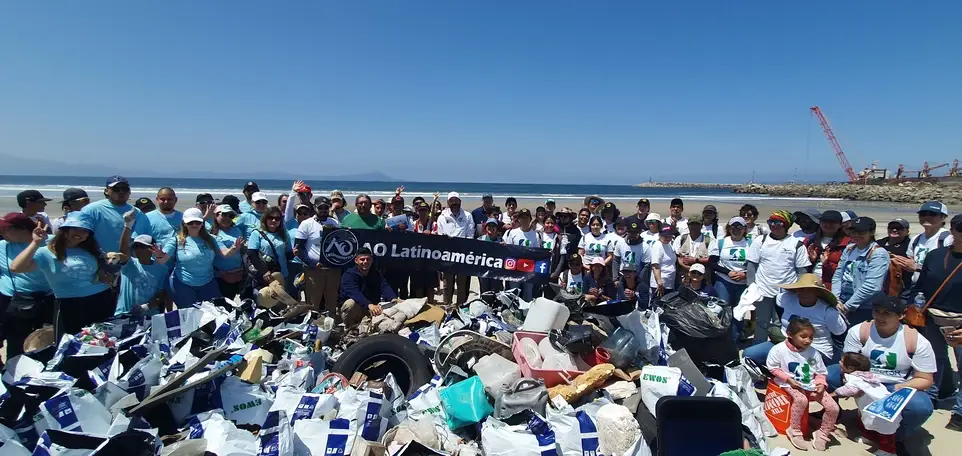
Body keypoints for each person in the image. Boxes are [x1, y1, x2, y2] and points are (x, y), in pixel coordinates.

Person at [827, 296, 935, 444]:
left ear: (901, 315)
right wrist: (852, 382)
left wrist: (901, 387)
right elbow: (847, 363)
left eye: (887, 313)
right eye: (877, 311)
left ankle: (895, 437)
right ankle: (834, 414)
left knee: (921, 407)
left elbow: (925, 379)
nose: (880, 316)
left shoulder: (916, 340)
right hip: (863, 379)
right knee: (827, 375)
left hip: (896, 384)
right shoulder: (860, 331)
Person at [10, 212, 115, 339]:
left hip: (101, 299)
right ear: (65, 230)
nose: (80, 234)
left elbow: (101, 272)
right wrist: (35, 243)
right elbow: (16, 267)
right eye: (75, 229)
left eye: (85, 231)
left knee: (102, 342)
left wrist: (106, 276)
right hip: (69, 304)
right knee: (68, 343)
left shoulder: (91, 250)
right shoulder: (46, 252)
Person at [911, 213, 962, 429]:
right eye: (960, 228)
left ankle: (960, 412)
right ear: (952, 230)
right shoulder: (935, 256)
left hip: (960, 321)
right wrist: (912, 304)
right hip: (933, 317)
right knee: (934, 361)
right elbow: (920, 286)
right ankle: (930, 399)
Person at [766, 318, 839, 451]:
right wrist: (788, 379)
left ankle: (823, 433)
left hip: (810, 384)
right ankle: (794, 430)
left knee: (833, 407)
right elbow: (773, 368)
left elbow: (820, 372)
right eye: (803, 336)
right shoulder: (779, 349)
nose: (808, 340)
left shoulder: (813, 352)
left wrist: (821, 384)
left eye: (811, 337)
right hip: (788, 383)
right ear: (790, 334)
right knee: (801, 400)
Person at [744, 273, 847, 366]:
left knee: (797, 368)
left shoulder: (828, 312)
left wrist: (834, 363)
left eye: (810, 290)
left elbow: (840, 337)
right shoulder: (786, 299)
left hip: (815, 348)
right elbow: (777, 303)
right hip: (784, 342)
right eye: (801, 289)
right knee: (749, 354)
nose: (805, 293)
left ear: (817, 292)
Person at [746, 210, 812, 342]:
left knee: (781, 324)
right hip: (762, 290)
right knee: (761, 322)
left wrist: (799, 291)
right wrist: (751, 287)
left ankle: (779, 349)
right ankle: (758, 346)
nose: (773, 225)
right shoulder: (760, 240)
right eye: (771, 222)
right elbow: (751, 265)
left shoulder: (796, 244)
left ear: (786, 225)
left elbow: (802, 270)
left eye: (778, 222)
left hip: (786, 293)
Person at [0, 213, 53, 360]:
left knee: (45, 342)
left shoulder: (50, 242)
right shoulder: (3, 246)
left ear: (23, 229)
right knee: (15, 344)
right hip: (12, 302)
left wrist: (35, 242)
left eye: (5, 230)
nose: (2, 234)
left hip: (46, 300)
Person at [164, 208, 242, 307]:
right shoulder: (176, 240)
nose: (194, 225)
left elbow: (225, 254)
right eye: (190, 223)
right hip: (183, 283)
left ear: (202, 223)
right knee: (188, 314)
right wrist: (158, 254)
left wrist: (233, 249)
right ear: (184, 223)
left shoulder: (212, 239)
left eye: (197, 222)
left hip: (208, 283)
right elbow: (162, 259)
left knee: (214, 311)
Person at [832, 353, 899, 456]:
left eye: (841, 362)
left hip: (881, 409)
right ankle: (868, 437)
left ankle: (888, 450)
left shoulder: (854, 377)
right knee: (865, 422)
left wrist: (833, 394)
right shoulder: (868, 375)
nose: (839, 363)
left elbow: (849, 389)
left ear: (850, 368)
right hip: (869, 406)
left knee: (884, 431)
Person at [832, 217, 890, 326]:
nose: (856, 235)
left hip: (864, 307)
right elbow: (838, 275)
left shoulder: (878, 253)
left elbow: (872, 286)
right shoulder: (849, 249)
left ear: (872, 232)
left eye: (861, 232)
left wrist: (848, 306)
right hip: (842, 301)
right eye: (853, 231)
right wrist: (836, 299)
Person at [295, 197, 341, 318]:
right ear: (315, 208)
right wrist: (311, 264)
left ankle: (330, 324)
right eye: (320, 207)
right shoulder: (306, 224)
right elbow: (299, 249)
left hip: (332, 269)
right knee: (313, 303)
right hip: (314, 270)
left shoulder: (335, 223)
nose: (323, 210)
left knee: (332, 302)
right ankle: (311, 324)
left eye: (326, 207)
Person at [81, 176, 150, 253]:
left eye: (125, 189)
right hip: (98, 258)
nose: (121, 192)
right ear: (106, 191)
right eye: (116, 189)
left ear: (129, 192)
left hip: (128, 259)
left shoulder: (137, 212)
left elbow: (142, 239)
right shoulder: (91, 210)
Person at [115, 220, 170, 316]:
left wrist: (147, 306)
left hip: (150, 316)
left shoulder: (162, 269)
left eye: (142, 247)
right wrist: (127, 226)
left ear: (152, 249)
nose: (137, 249)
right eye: (136, 246)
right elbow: (123, 252)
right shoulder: (129, 264)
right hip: (125, 314)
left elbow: (162, 293)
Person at [339, 247, 397, 327]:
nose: (365, 262)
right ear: (356, 261)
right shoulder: (349, 275)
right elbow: (354, 293)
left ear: (372, 260)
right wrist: (369, 305)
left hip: (373, 308)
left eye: (368, 259)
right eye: (362, 259)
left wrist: (393, 298)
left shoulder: (375, 273)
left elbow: (384, 286)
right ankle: (350, 327)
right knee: (350, 304)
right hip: (358, 309)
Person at [436, 192, 474, 305]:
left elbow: (470, 235)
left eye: (456, 201)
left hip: (463, 255)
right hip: (447, 255)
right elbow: (440, 235)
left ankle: (460, 306)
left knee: (462, 283)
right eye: (452, 201)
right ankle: (447, 305)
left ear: (460, 202)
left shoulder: (467, 216)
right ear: (448, 203)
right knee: (447, 283)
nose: (454, 203)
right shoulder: (442, 217)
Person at [708, 216, 750, 315]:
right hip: (724, 281)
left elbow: (756, 265)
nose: (736, 229)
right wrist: (728, 272)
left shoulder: (751, 243)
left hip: (744, 283)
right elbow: (712, 263)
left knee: (740, 312)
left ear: (744, 229)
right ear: (729, 228)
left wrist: (745, 274)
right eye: (733, 226)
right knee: (723, 310)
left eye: (739, 227)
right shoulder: (720, 242)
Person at [905, 201, 954, 284]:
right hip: (916, 286)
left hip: (937, 287)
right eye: (923, 214)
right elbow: (910, 262)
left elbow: (950, 268)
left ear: (943, 217)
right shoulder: (915, 239)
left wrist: (917, 268)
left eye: (932, 214)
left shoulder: (948, 239)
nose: (926, 217)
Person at [247, 206, 290, 290]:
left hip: (282, 274)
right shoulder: (257, 233)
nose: (274, 220)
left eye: (277, 218)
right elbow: (252, 254)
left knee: (282, 297)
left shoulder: (284, 234)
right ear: (265, 218)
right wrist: (264, 271)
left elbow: (287, 254)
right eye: (270, 218)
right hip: (265, 275)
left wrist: (294, 253)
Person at [803, 210, 849, 287]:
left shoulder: (847, 243)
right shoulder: (810, 240)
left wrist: (826, 263)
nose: (828, 224)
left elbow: (848, 269)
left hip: (834, 285)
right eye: (825, 221)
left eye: (833, 222)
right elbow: (801, 265)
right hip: (811, 283)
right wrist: (810, 260)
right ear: (820, 223)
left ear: (840, 225)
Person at [504, 209, 542, 300]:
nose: (524, 220)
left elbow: (537, 252)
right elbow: (508, 251)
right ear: (519, 219)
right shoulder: (512, 233)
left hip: (529, 270)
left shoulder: (535, 235)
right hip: (515, 269)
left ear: (530, 219)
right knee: (514, 293)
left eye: (526, 218)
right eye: (522, 218)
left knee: (528, 293)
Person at [210, 204, 247, 300]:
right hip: (220, 276)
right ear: (216, 215)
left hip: (237, 274)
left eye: (230, 216)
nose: (227, 218)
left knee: (232, 301)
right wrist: (234, 248)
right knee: (221, 303)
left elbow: (242, 250)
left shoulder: (237, 230)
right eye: (224, 214)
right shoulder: (213, 234)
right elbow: (225, 254)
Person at [877, 218, 912, 296]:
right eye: (891, 227)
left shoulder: (910, 246)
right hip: (878, 284)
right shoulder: (878, 243)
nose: (894, 230)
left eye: (899, 228)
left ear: (907, 231)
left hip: (901, 288)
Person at [673, 214, 711, 282]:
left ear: (701, 225)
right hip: (684, 276)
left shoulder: (709, 240)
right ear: (688, 225)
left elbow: (712, 259)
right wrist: (687, 267)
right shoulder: (680, 238)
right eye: (692, 224)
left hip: (702, 276)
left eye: (697, 224)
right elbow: (676, 256)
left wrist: (696, 260)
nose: (694, 226)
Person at [477, 218, 504, 294]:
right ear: (486, 227)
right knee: (484, 291)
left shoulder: (501, 240)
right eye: (489, 225)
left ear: (497, 228)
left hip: (496, 271)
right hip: (483, 271)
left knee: (496, 291)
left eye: (493, 226)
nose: (491, 228)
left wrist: (505, 247)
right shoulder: (480, 240)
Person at [650, 226, 677, 299]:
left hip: (669, 282)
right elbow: (655, 266)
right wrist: (659, 282)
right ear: (660, 235)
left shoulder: (669, 245)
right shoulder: (657, 246)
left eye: (670, 236)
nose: (668, 238)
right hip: (660, 283)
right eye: (665, 236)